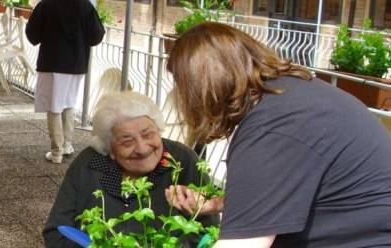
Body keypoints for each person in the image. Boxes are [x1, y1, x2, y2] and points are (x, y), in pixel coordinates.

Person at [165, 22, 391, 247]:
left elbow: (242, 245)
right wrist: (216, 204)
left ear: (201, 89)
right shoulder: (289, 94)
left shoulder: (273, 127)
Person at [43, 91, 219, 247]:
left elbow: (209, 231)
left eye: (148, 134)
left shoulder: (181, 161)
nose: (142, 148)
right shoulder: (89, 164)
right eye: (127, 141)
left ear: (159, 130)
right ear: (110, 149)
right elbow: (56, 231)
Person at [25, 0, 105, 164]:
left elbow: (32, 34)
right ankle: (67, 145)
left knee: (54, 106)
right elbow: (97, 35)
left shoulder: (46, 4)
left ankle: (56, 152)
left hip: (52, 62)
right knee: (68, 103)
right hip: (76, 63)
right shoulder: (85, 5)